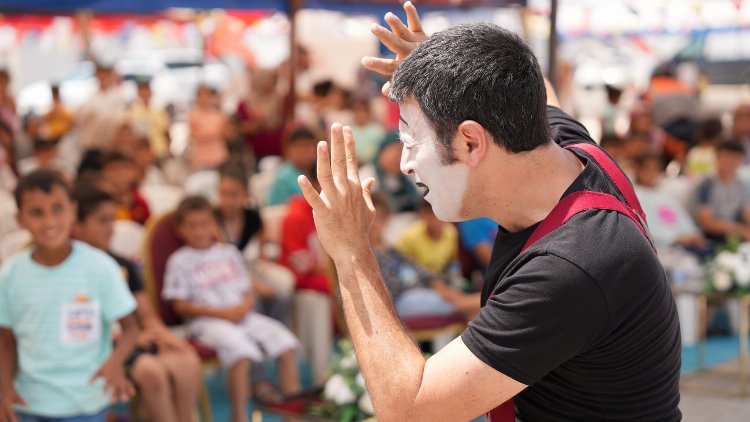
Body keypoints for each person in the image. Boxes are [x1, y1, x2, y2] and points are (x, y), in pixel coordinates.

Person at [296, 3, 680, 420]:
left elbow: (410, 411)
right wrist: (452, 70)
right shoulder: (568, 153)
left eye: (411, 138)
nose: (406, 163)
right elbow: (537, 91)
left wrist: (352, 250)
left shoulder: (572, 264)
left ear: (470, 143)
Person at [0, 170, 139, 422]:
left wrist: (116, 362)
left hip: (86, 402)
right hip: (29, 402)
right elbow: (5, 340)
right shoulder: (10, 275)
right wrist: (4, 388)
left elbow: (131, 329)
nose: (50, 222)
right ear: (20, 219)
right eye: (36, 213)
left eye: (58, 209)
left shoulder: (100, 267)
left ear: (73, 210)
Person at [162, 196, 300, 422]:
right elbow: (179, 304)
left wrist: (244, 306)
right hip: (207, 322)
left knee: (285, 343)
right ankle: (239, 416)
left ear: (213, 224)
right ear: (180, 229)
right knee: (241, 352)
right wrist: (222, 314)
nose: (199, 231)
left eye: (204, 223)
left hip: (242, 315)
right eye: (191, 225)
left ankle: (292, 414)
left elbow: (246, 289)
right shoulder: (179, 261)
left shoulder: (229, 253)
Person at [72, 186, 202, 422]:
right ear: (77, 226)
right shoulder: (74, 268)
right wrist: (129, 337)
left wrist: (161, 334)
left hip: (137, 338)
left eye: (112, 220)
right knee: (152, 372)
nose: (111, 228)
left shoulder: (122, 263)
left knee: (187, 360)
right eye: (102, 221)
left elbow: (144, 311)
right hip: (106, 345)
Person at [216, 162, 294, 323]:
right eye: (224, 194)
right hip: (223, 273)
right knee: (254, 296)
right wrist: (254, 284)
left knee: (285, 282)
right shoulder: (213, 219)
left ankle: (276, 325)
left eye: (234, 194)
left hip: (250, 267)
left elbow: (264, 248)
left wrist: (265, 267)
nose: (228, 200)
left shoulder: (253, 217)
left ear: (246, 194)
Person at [370, 193, 458, 319]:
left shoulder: (391, 250)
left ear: (386, 220)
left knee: (449, 294)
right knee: (452, 303)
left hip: (416, 293)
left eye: (378, 218)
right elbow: (389, 290)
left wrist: (436, 284)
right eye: (369, 219)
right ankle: (471, 304)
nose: (374, 224)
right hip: (397, 303)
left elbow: (419, 270)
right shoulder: (365, 255)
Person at [633, 152, 706, 254]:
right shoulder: (635, 195)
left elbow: (681, 216)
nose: (651, 173)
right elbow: (646, 227)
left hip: (685, 245)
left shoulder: (665, 193)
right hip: (659, 249)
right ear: (638, 169)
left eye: (655, 169)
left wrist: (693, 233)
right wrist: (675, 238)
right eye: (647, 168)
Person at [694, 140, 750, 242]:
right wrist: (740, 229)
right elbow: (707, 223)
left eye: (735, 158)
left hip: (732, 233)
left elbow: (746, 212)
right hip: (710, 236)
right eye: (727, 157)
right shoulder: (706, 184)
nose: (730, 162)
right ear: (717, 157)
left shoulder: (740, 184)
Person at [395, 200, 458, 275]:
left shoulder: (451, 232)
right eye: (432, 215)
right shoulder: (410, 237)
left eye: (443, 215)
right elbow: (401, 266)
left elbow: (452, 262)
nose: (437, 220)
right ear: (423, 214)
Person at [266, 126, 318, 206]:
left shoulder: (316, 170)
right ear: (288, 150)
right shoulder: (284, 177)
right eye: (300, 146)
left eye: (308, 146)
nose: (304, 152)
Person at [100, 151, 151, 225]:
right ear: (103, 173)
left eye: (124, 168)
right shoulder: (99, 202)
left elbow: (149, 228)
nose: (120, 173)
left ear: (134, 172)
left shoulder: (140, 202)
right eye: (114, 169)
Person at [187, 85, 229, 170]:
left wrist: (208, 135)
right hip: (201, 158)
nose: (204, 99)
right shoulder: (193, 115)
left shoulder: (219, 115)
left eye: (206, 96)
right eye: (201, 96)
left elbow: (226, 134)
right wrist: (214, 134)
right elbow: (194, 136)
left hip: (219, 156)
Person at [130, 79, 170, 161]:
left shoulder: (159, 111)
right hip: (140, 152)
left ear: (151, 92)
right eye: (142, 91)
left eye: (147, 91)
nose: (145, 94)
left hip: (158, 150)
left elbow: (166, 132)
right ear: (138, 93)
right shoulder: (132, 112)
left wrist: (168, 149)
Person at [350, 98, 386, 165]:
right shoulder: (348, 130)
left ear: (369, 113)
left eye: (363, 110)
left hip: (373, 167)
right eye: (357, 110)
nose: (360, 113)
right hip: (352, 165)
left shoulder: (377, 130)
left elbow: (383, 151)